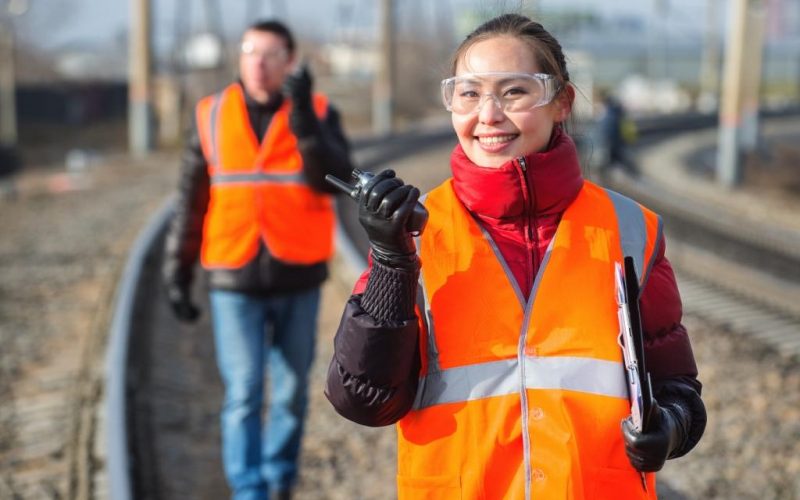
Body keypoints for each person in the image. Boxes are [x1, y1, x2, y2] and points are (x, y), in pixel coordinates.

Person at [325, 13, 705, 499]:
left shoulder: (632, 230)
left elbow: (678, 391)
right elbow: (362, 400)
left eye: (514, 92)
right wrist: (391, 262)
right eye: (468, 93)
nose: (488, 114)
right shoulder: (414, 230)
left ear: (561, 102)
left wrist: (668, 427)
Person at [162, 19, 352, 500]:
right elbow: (191, 198)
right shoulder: (209, 113)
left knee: (289, 394)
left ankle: (279, 480)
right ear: (239, 59)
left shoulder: (319, 110)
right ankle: (249, 490)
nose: (258, 63)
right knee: (245, 392)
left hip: (299, 271)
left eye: (270, 53)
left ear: (290, 61)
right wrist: (176, 270)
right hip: (233, 274)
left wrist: (305, 116)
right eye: (249, 52)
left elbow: (336, 177)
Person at [597, 89, 640, 178]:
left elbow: (607, 129)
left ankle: (609, 177)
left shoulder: (609, 113)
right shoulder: (618, 112)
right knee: (621, 161)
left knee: (612, 161)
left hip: (614, 142)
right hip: (620, 141)